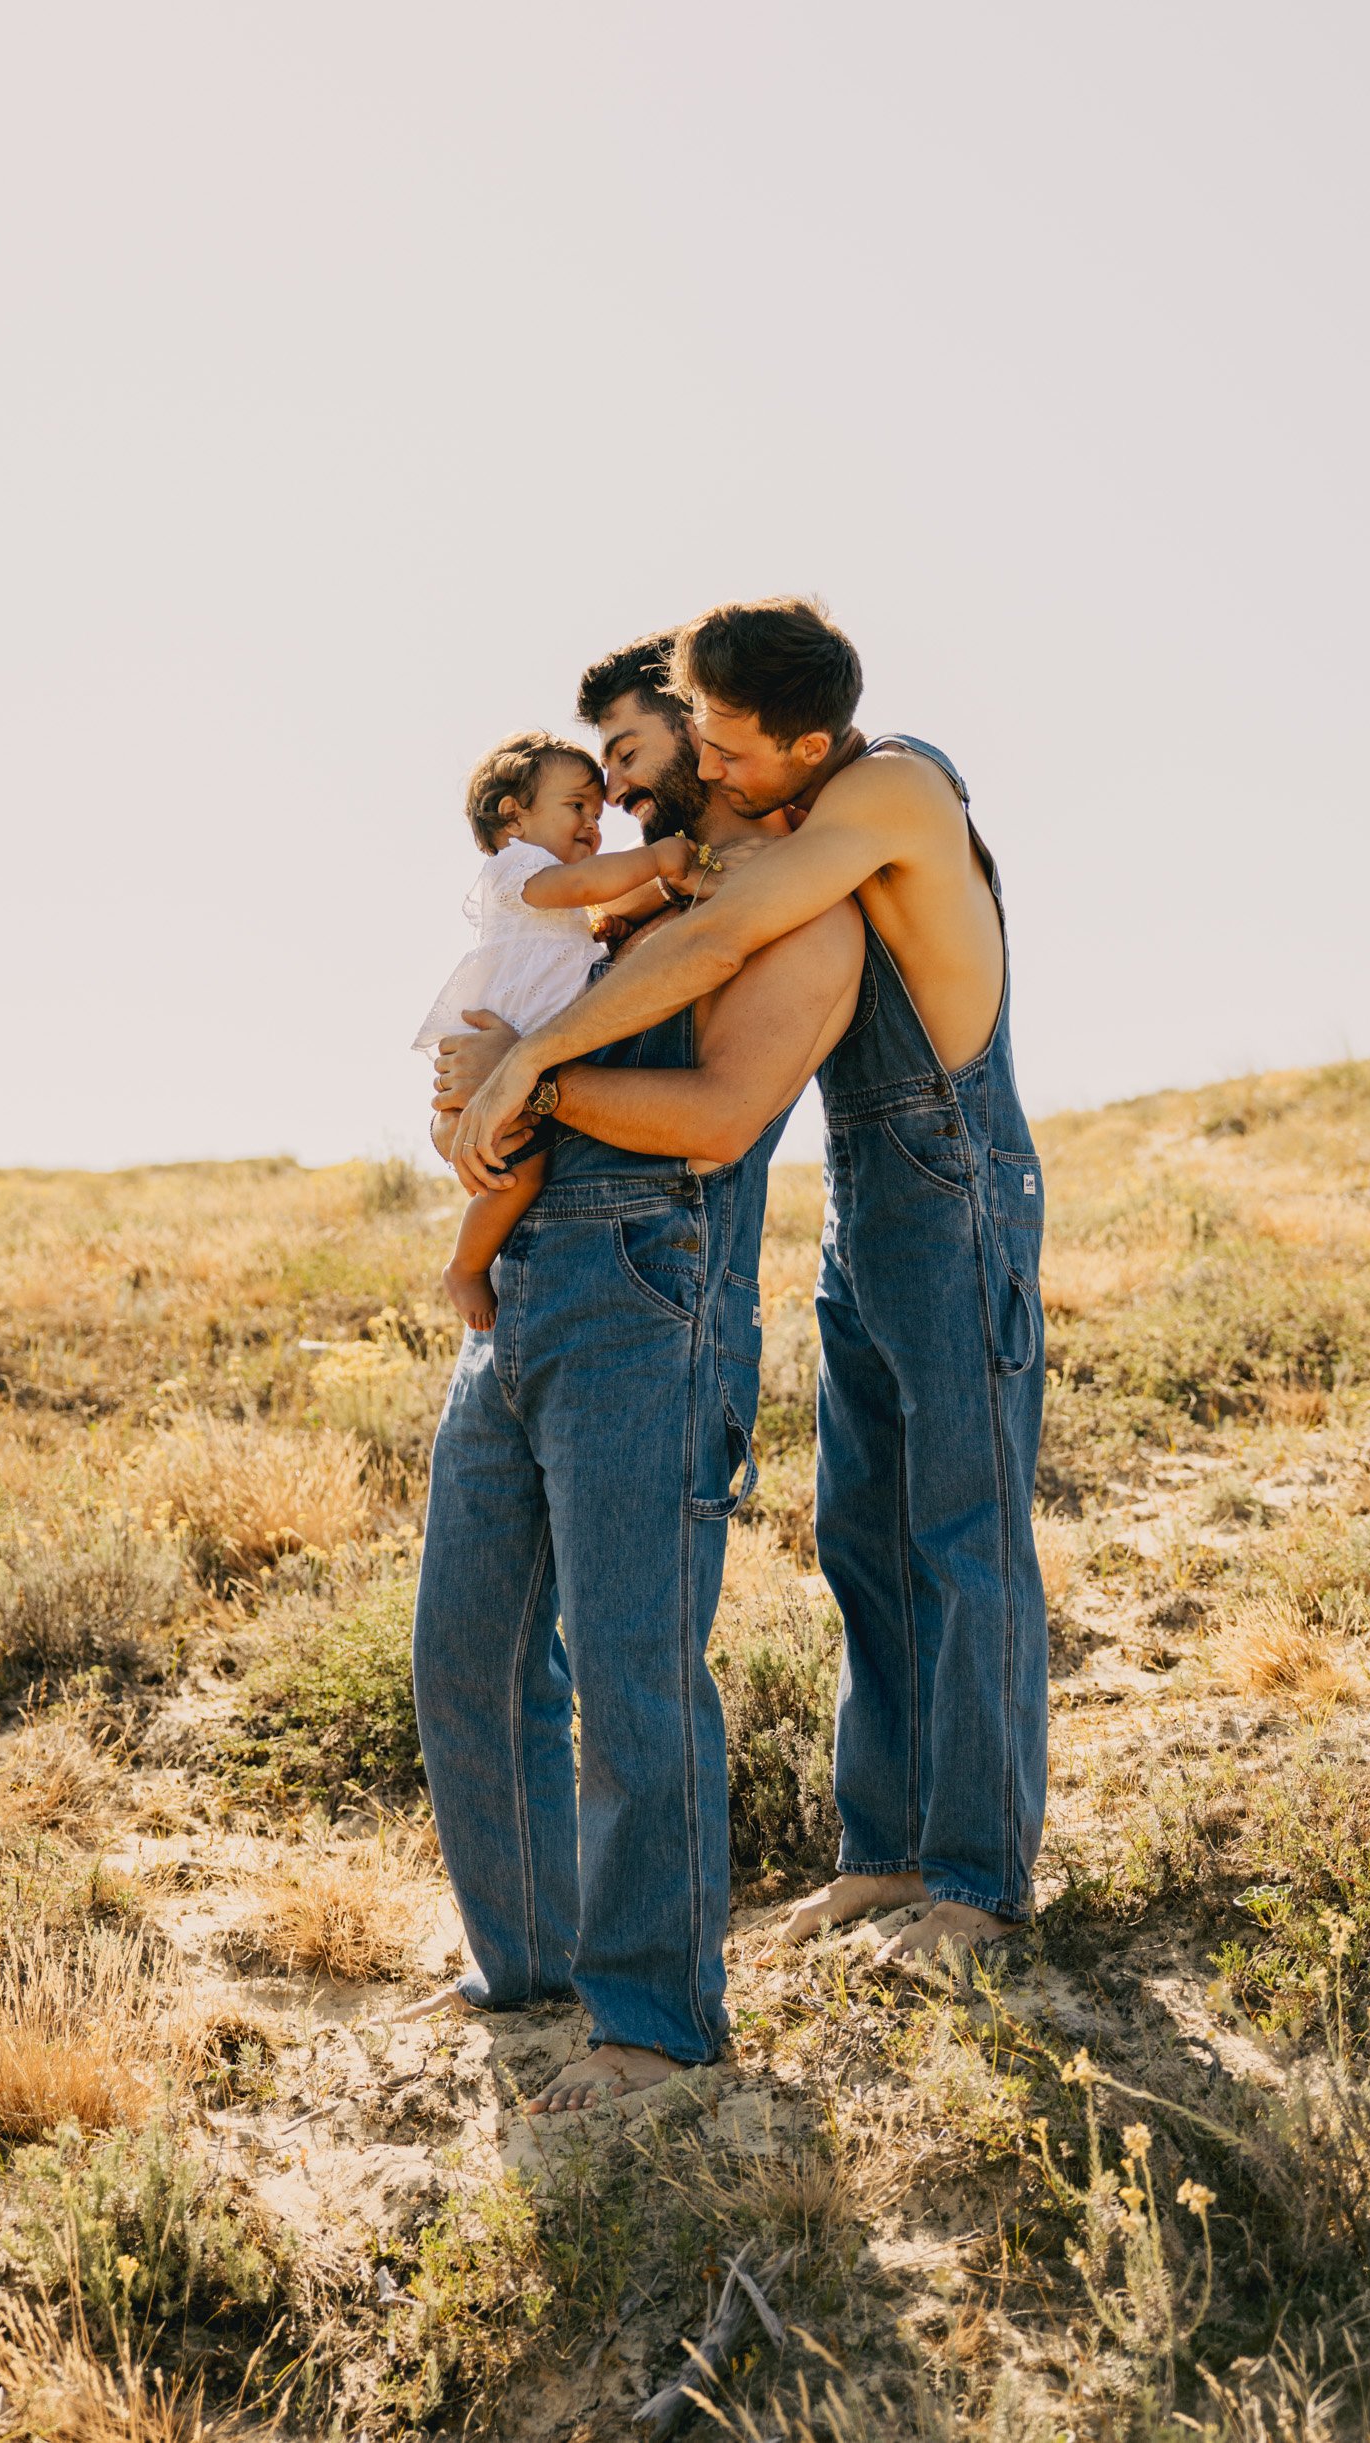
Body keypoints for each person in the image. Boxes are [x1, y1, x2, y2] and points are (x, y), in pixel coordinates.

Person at [440, 599, 1049, 1969]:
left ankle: (980, 1878)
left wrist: (534, 1063)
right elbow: (693, 918)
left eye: (721, 741)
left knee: (965, 1529)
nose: (705, 763)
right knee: (865, 1530)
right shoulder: (791, 816)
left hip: (961, 1191)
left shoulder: (890, 789)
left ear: (807, 742)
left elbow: (721, 939)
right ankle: (887, 1853)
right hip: (871, 1198)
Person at [414, 680, 863, 2112]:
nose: (610, 788)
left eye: (628, 750)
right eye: (593, 765)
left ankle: (656, 2021)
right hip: (519, 1295)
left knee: (632, 1669)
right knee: (466, 1653)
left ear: (701, 737)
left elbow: (718, 1119)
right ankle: (529, 1964)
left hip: (646, 1305)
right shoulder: (605, 917)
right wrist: (477, 1105)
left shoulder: (792, 913)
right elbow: (505, 1086)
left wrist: (527, 1079)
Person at [412, 731, 708, 1326]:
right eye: (577, 806)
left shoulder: (552, 892)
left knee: (519, 1170)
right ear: (513, 816)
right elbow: (583, 885)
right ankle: (466, 1266)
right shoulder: (516, 866)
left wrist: (602, 933)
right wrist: (655, 859)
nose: (592, 826)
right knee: (517, 1176)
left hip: (520, 1056)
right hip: (498, 1053)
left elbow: (575, 926)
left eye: (597, 814)